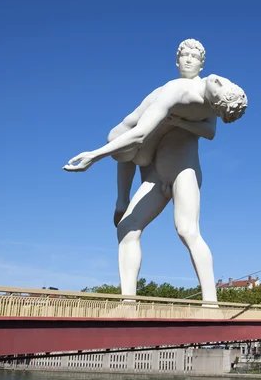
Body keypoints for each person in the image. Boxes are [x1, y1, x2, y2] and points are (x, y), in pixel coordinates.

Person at [63, 63, 247, 303]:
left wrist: (177, 122)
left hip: (184, 171)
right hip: (158, 175)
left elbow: (210, 132)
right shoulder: (178, 90)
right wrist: (95, 156)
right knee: (127, 229)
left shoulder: (213, 99)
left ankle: (210, 302)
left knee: (187, 230)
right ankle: (128, 302)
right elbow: (140, 136)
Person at [110, 39, 210, 227]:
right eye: (184, 56)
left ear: (202, 64)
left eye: (194, 57)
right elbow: (142, 132)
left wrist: (181, 122)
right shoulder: (166, 89)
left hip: (180, 164)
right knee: (129, 144)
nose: (188, 60)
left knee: (187, 230)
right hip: (155, 156)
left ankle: (122, 199)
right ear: (177, 61)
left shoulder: (206, 91)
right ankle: (122, 199)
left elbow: (210, 131)